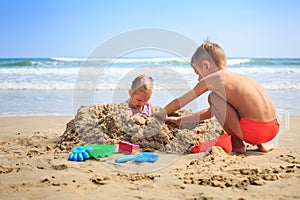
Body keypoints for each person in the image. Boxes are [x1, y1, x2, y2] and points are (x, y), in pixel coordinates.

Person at [153, 41, 279, 153]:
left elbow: (180, 102)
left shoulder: (214, 79)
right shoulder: (240, 79)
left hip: (254, 132)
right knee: (233, 104)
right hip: (272, 130)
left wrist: (163, 112)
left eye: (197, 73)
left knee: (213, 97)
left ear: (206, 66)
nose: (198, 78)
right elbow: (211, 112)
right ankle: (261, 145)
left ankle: (237, 144)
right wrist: (180, 120)